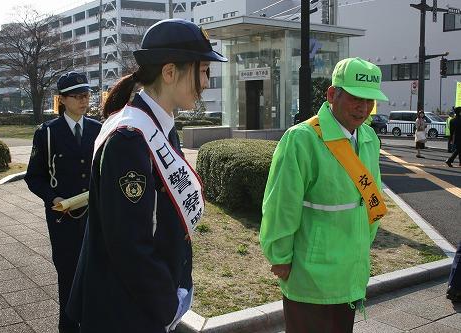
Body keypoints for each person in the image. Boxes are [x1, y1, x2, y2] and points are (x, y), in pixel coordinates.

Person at [66, 19, 227, 333]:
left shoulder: (158, 125)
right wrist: (166, 304)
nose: (206, 82)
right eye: (203, 71)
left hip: (144, 300)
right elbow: (129, 244)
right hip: (125, 309)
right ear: (169, 72)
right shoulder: (129, 138)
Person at [260, 57, 388, 333]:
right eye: (356, 98)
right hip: (311, 273)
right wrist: (280, 256)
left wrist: (362, 247)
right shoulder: (302, 139)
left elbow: (372, 198)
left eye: (369, 101)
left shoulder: (368, 138)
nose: (363, 108)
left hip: (350, 272)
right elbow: (282, 204)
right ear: (332, 94)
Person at [25, 72, 102, 333]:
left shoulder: (98, 129)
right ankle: (68, 328)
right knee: (68, 276)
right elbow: (34, 177)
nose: (84, 101)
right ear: (63, 100)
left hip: (95, 216)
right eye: (77, 96)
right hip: (63, 219)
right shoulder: (47, 133)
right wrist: (53, 197)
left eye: (87, 95)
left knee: (96, 273)